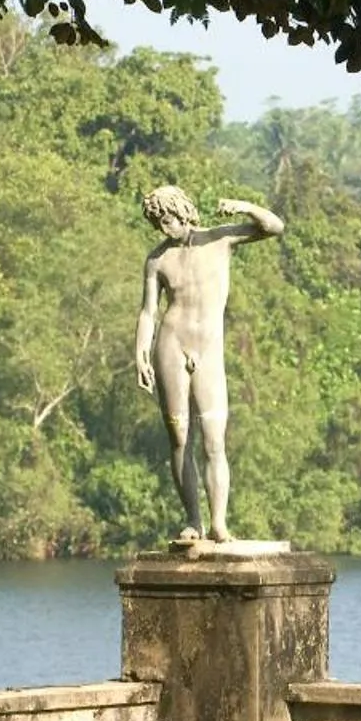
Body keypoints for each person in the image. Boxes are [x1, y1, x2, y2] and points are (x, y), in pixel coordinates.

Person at [135, 185, 284, 543]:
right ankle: (194, 520)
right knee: (180, 438)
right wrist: (140, 352)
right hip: (171, 345)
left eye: (166, 219)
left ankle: (219, 523)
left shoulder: (219, 239)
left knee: (214, 440)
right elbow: (148, 311)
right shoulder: (158, 259)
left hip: (209, 349)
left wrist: (245, 205)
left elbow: (274, 226)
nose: (163, 228)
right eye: (157, 222)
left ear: (184, 211)